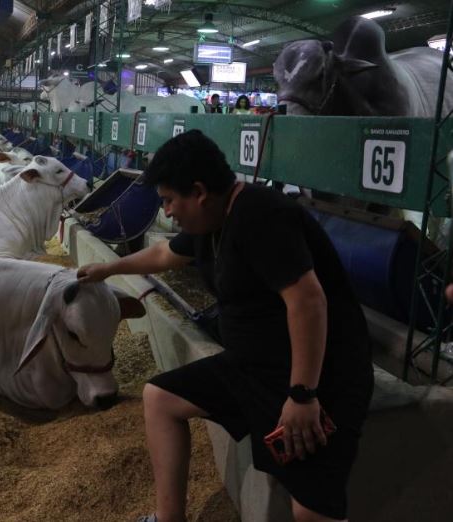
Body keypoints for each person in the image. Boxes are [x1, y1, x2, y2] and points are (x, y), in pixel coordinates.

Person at [78, 130, 374, 522]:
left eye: (169, 201)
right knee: (160, 398)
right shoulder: (212, 222)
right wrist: (108, 269)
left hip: (320, 376)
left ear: (199, 191)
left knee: (311, 510)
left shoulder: (260, 214)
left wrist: (303, 396)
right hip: (253, 367)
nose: (167, 213)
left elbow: (307, 300)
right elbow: (166, 252)